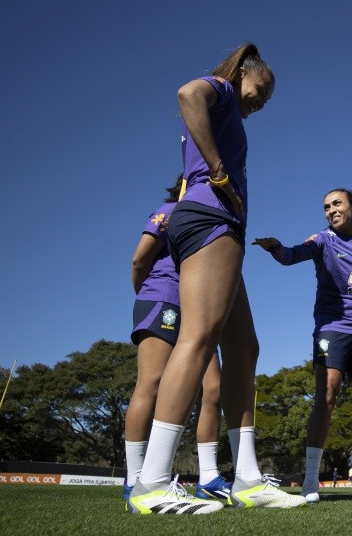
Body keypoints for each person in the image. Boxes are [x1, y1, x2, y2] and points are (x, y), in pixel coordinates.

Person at [128, 44, 306, 515]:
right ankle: (151, 482)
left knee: (244, 348)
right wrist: (218, 170)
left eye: (266, 99)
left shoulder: (231, 109)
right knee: (200, 337)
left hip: (222, 227)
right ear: (244, 73)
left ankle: (247, 478)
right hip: (210, 219)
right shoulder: (222, 89)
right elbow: (187, 93)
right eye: (260, 90)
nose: (260, 102)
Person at [253, 188, 352, 503]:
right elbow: (293, 254)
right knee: (327, 394)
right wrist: (275, 249)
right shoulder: (322, 240)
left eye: (336, 204)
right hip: (331, 329)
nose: (331, 210)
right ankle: (311, 480)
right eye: (326, 207)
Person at [123, 175, 231, 508]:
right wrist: (153, 294)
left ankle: (209, 477)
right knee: (151, 383)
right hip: (163, 300)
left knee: (213, 389)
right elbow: (140, 259)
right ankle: (134, 478)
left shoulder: (211, 220)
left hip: (197, 306)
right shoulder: (168, 211)